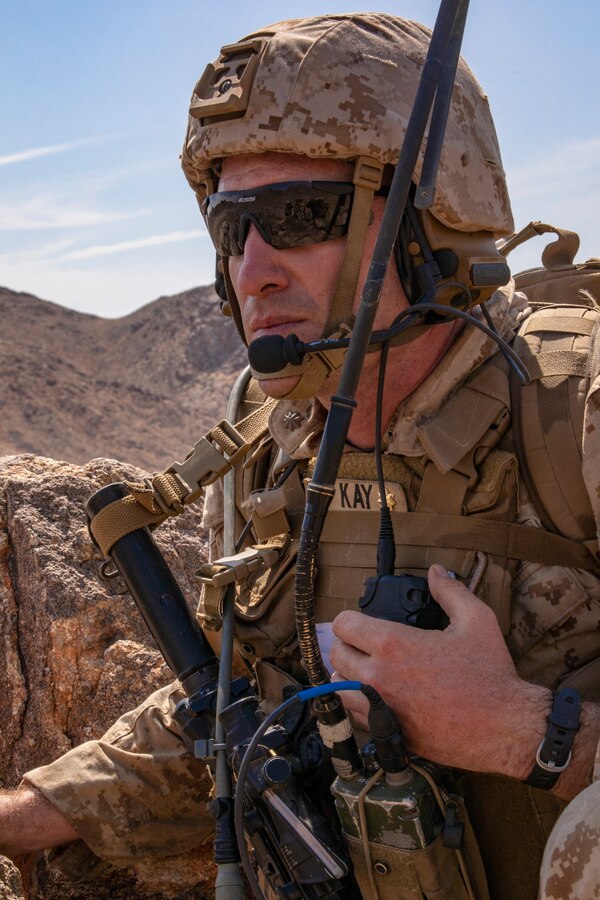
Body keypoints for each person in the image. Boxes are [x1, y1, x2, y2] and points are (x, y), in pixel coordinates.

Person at [1, 12, 599, 899]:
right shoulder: (269, 442)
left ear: (429, 224)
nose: (252, 272)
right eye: (229, 228)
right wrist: (27, 816)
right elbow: (241, 712)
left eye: (297, 217)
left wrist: (523, 732)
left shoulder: (572, 413)